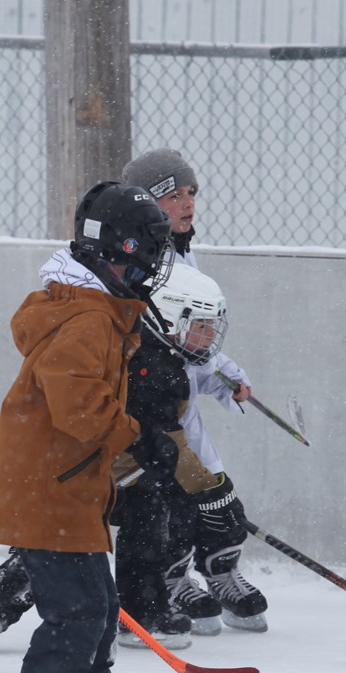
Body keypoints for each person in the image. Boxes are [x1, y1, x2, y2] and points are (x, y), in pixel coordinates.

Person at [0, 181, 175, 673]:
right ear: (117, 252)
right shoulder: (87, 321)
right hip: (51, 493)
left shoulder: (100, 314)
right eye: (148, 251)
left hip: (71, 492)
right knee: (75, 616)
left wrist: (130, 454)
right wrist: (135, 435)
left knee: (97, 609)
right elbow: (78, 408)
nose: (153, 266)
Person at [0, 266, 229, 653]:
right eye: (201, 325)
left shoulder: (172, 365)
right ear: (170, 316)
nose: (210, 336)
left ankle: (143, 611)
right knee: (56, 544)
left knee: (148, 524)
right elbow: (87, 409)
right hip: (86, 468)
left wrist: (205, 484)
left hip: (134, 469)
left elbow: (170, 437)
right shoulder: (127, 349)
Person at [121, 147, 268, 634]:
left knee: (217, 501)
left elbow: (195, 341)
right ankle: (173, 579)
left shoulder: (183, 253)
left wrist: (226, 377)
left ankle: (220, 572)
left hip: (181, 407)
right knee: (171, 506)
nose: (188, 203)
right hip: (148, 414)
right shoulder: (135, 261)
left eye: (191, 193)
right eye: (174, 195)